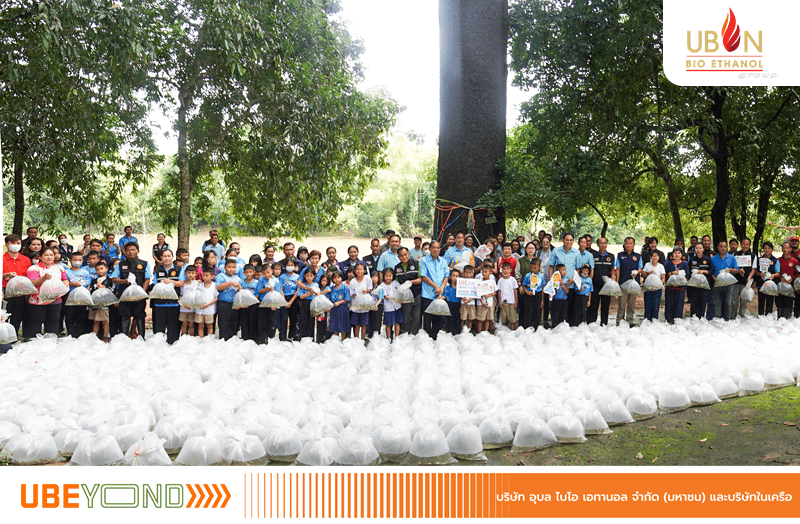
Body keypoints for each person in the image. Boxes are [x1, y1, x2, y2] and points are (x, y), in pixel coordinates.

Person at [24, 247, 69, 340]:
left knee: (53, 322)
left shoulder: (59, 268)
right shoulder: (34, 268)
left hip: (56, 300)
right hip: (37, 301)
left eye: (51, 255)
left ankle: (50, 341)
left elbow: (65, 279)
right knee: (36, 322)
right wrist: (44, 278)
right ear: (40, 257)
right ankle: (34, 341)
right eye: (46, 255)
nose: (49, 257)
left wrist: (65, 284)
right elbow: (33, 283)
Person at [110, 242, 151, 339]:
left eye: (133, 250)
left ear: (138, 251)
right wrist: (124, 281)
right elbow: (114, 279)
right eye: (128, 250)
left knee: (140, 316)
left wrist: (142, 293)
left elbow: (147, 279)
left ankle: (142, 338)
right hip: (124, 296)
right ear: (125, 252)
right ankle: (124, 338)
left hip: (139, 297)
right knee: (125, 316)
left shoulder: (144, 264)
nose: (131, 252)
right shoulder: (120, 264)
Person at [2, 234, 32, 349]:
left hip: (20, 292)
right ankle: (3, 337)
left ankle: (13, 337)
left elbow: (28, 277)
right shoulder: (2, 259)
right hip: (4, 290)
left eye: (18, 243)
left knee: (17, 314)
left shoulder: (25, 260)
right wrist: (5, 275)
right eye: (13, 243)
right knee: (4, 314)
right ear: (7, 245)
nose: (16, 246)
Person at [150, 249, 181, 344]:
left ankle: (172, 343)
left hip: (173, 303)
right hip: (159, 303)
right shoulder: (158, 269)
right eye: (165, 256)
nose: (167, 258)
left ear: (172, 257)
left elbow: (181, 283)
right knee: (159, 327)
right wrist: (160, 294)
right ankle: (159, 344)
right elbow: (155, 284)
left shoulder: (178, 269)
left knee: (173, 326)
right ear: (161, 258)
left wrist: (171, 281)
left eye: (169, 256)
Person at [420, 241, 449, 340]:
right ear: (430, 249)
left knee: (438, 318)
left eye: (437, 248)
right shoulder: (424, 261)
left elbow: (446, 276)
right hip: (428, 293)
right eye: (433, 248)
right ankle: (427, 339)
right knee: (427, 318)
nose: (435, 250)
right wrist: (435, 287)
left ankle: (435, 338)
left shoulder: (443, 261)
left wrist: (441, 288)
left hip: (440, 294)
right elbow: (423, 276)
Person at [615, 237, 643, 325]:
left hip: (634, 284)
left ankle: (629, 321)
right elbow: (618, 269)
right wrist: (617, 282)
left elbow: (640, 268)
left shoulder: (638, 256)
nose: (629, 245)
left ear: (634, 244)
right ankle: (619, 321)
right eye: (627, 243)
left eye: (631, 243)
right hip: (623, 283)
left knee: (631, 304)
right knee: (621, 305)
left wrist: (637, 272)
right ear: (624, 244)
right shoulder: (620, 255)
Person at [395, 246, 422, 335]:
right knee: (405, 315)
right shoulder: (397, 268)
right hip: (404, 296)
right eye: (401, 256)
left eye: (405, 254)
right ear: (398, 257)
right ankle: (404, 334)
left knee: (416, 315)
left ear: (409, 254)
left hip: (416, 293)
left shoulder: (417, 264)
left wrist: (412, 282)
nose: (404, 257)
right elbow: (396, 284)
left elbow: (421, 279)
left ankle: (414, 334)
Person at [64, 251, 91, 337]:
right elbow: (64, 283)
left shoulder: (85, 273)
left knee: (81, 316)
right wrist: (73, 284)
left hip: (82, 298)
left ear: (82, 260)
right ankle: (71, 333)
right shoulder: (66, 272)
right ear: (70, 260)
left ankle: (80, 333)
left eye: (79, 260)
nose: (77, 261)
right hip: (70, 298)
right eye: (75, 259)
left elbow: (88, 283)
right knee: (70, 317)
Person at [588, 237, 614, 325]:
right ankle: (592, 322)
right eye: (601, 243)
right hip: (595, 284)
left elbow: (612, 270)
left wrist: (613, 279)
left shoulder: (611, 256)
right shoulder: (593, 255)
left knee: (605, 305)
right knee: (594, 304)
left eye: (605, 243)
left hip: (606, 285)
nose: (603, 245)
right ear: (598, 244)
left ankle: (604, 323)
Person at [710, 240, 739, 321]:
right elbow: (711, 271)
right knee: (717, 302)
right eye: (721, 246)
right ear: (718, 247)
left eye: (725, 246)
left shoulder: (732, 258)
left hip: (729, 284)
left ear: (727, 247)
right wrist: (715, 279)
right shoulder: (713, 258)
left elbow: (736, 270)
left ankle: (727, 319)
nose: (723, 248)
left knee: (728, 302)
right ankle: (718, 319)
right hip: (717, 284)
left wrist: (730, 270)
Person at [215, 258, 243, 340]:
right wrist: (230, 283)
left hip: (234, 304)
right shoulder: (221, 276)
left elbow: (240, 291)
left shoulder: (238, 279)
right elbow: (218, 287)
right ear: (225, 267)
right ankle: (223, 340)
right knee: (223, 322)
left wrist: (239, 288)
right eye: (229, 267)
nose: (231, 269)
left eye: (233, 267)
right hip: (223, 302)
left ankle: (232, 339)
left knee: (234, 322)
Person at [687, 243, 713, 318]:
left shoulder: (708, 259)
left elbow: (711, 271)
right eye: (697, 248)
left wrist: (703, 271)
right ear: (694, 249)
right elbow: (688, 271)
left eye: (700, 248)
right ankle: (693, 318)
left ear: (703, 249)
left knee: (702, 302)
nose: (698, 250)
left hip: (704, 285)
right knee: (694, 303)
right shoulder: (692, 260)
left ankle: (701, 318)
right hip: (693, 285)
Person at [733, 237, 757, 318]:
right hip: (735, 280)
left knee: (744, 300)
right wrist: (738, 270)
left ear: (750, 245)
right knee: (734, 300)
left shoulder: (753, 256)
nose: (745, 246)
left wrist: (749, 277)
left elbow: (753, 269)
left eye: (747, 244)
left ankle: (742, 316)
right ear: (740, 244)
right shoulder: (735, 254)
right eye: (744, 244)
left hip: (746, 282)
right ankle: (733, 316)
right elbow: (732, 266)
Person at [255, 263, 279, 344]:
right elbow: (259, 290)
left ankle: (270, 340)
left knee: (271, 322)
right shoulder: (261, 279)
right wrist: (268, 289)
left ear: (272, 271)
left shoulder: (276, 281)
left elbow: (277, 293)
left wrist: (274, 304)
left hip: (272, 303)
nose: (266, 275)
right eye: (264, 273)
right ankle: (261, 340)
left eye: (268, 272)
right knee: (262, 321)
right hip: (263, 302)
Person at [664, 248, 689, 324]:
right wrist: (671, 273)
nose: (677, 255)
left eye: (679, 253)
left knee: (679, 303)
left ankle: (677, 319)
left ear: (682, 255)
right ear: (672, 255)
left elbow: (687, 276)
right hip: (670, 287)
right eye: (675, 253)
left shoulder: (684, 264)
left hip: (680, 288)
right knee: (669, 303)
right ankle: (669, 319)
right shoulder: (668, 263)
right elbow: (664, 274)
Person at [278, 259, 301, 341]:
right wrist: (284, 301)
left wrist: (291, 301)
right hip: (284, 298)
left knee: (293, 318)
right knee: (284, 319)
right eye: (288, 265)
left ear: (295, 266)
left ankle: (292, 336)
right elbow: (280, 289)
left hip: (294, 299)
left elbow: (298, 290)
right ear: (285, 266)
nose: (290, 267)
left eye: (292, 265)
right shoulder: (282, 276)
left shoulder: (297, 277)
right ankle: (282, 337)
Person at [88, 260, 111, 341]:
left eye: (101, 269)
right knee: (95, 321)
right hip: (95, 303)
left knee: (105, 321)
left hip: (104, 304)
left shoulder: (109, 280)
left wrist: (102, 287)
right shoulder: (94, 280)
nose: (99, 271)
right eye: (97, 269)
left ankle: (105, 337)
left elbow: (111, 291)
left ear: (106, 269)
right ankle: (94, 337)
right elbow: (91, 290)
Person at [349, 262, 372, 340]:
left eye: (361, 269)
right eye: (357, 269)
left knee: (364, 324)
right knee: (356, 324)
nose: (359, 271)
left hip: (365, 305)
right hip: (356, 305)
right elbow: (353, 293)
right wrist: (357, 300)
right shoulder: (353, 281)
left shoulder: (367, 278)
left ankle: (362, 339)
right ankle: (356, 339)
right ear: (354, 271)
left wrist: (366, 291)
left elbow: (370, 288)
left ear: (365, 270)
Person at [755, 242, 779, 316]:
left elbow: (778, 273)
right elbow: (755, 271)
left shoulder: (775, 260)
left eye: (769, 248)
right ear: (763, 249)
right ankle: (760, 316)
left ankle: (768, 318)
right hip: (760, 284)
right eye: (765, 248)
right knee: (761, 302)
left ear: (772, 250)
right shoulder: (759, 260)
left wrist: (773, 275)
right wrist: (759, 274)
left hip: (770, 284)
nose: (767, 250)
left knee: (770, 301)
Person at [776, 242, 798, 319]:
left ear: (790, 249)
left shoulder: (795, 261)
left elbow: (798, 273)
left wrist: (792, 278)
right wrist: (780, 277)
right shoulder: (778, 260)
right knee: (779, 303)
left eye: (787, 248)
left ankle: (787, 319)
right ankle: (779, 319)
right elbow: (775, 271)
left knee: (788, 303)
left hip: (790, 286)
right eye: (783, 248)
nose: (785, 249)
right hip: (780, 285)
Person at [641, 251, 666, 322]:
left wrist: (658, 285)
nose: (654, 257)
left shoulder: (661, 266)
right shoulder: (647, 265)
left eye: (656, 256)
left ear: (658, 257)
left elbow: (663, 278)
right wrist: (648, 273)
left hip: (657, 288)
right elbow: (643, 275)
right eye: (653, 256)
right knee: (648, 304)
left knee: (655, 304)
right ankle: (647, 320)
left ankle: (654, 320)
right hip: (648, 288)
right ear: (651, 257)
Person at [520, 258, 544, 329]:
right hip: (529, 295)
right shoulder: (527, 276)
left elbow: (542, 288)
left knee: (537, 311)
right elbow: (524, 286)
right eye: (531, 268)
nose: (533, 269)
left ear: (539, 267)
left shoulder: (541, 276)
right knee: (528, 311)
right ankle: (527, 327)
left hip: (538, 294)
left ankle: (536, 327)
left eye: (535, 268)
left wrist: (542, 300)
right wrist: (527, 292)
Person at [379, 268, 402, 340]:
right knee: (388, 324)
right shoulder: (382, 285)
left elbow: (400, 290)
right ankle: (389, 338)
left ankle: (397, 337)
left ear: (393, 276)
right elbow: (385, 296)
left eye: (390, 276)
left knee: (397, 322)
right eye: (386, 276)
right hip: (388, 308)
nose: (388, 278)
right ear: (383, 276)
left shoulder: (395, 283)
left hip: (397, 306)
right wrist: (394, 299)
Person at [327, 271, 351, 340]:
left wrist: (339, 302)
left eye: (338, 277)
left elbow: (347, 298)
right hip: (334, 309)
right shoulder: (332, 289)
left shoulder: (344, 288)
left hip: (342, 308)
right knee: (335, 325)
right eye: (334, 278)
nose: (337, 279)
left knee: (343, 325)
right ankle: (336, 340)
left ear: (341, 278)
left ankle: (343, 339)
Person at [475, 263, 498, 333]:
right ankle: (479, 332)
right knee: (480, 319)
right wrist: (482, 302)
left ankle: (486, 331)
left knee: (488, 319)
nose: (483, 273)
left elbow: (495, 292)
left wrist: (490, 295)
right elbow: (478, 294)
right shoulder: (479, 281)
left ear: (490, 273)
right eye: (482, 272)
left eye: (485, 272)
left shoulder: (492, 282)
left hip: (489, 303)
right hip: (481, 303)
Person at [296, 266, 318, 340]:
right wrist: (310, 293)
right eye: (307, 276)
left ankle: (311, 337)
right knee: (303, 320)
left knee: (311, 320)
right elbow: (301, 297)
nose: (309, 277)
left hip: (313, 303)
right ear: (304, 276)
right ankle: (302, 336)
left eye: (311, 276)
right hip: (304, 303)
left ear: (314, 276)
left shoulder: (316, 285)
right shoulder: (303, 285)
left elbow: (318, 295)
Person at [196, 269, 219, 338]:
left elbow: (216, 298)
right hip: (200, 309)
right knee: (200, 325)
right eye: (204, 275)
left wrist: (208, 304)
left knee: (209, 325)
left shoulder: (214, 286)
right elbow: (196, 295)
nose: (204, 277)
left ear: (212, 276)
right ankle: (201, 338)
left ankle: (209, 340)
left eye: (207, 276)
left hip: (209, 309)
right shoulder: (200, 285)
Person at [537, 236, 553, 327]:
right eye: (544, 242)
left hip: (549, 280)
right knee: (540, 300)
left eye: (547, 242)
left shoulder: (552, 253)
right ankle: (538, 319)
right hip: (539, 280)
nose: (545, 244)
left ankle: (546, 319)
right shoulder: (538, 253)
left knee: (547, 301)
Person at [497, 262, 519, 330]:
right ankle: (503, 331)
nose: (505, 270)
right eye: (504, 269)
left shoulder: (513, 280)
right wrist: (499, 301)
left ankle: (512, 331)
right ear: (501, 270)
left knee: (512, 319)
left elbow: (515, 291)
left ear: (510, 270)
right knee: (503, 318)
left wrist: (516, 301)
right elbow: (499, 292)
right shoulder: (500, 280)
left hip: (511, 302)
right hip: (503, 302)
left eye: (507, 269)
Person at [178, 265, 198, 336]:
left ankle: (191, 338)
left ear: (196, 273)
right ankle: (184, 338)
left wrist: (191, 305)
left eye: (192, 273)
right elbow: (181, 295)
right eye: (189, 273)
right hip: (183, 308)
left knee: (191, 325)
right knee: (184, 324)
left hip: (192, 308)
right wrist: (184, 304)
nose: (190, 275)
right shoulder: (183, 283)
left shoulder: (196, 283)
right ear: (185, 273)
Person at [443, 269, 461, 335]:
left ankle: (457, 332)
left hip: (458, 304)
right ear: (450, 277)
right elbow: (444, 295)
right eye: (453, 276)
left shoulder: (461, 287)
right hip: (450, 304)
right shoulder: (448, 287)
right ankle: (449, 331)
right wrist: (440, 297)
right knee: (450, 318)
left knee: (457, 318)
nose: (455, 278)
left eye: (457, 276)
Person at [460, 265, 477, 332]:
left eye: (470, 272)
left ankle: (469, 331)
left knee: (470, 318)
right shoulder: (461, 281)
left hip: (471, 302)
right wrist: (463, 298)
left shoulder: (474, 282)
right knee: (463, 319)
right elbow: (459, 291)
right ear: (463, 273)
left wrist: (470, 299)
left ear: (472, 273)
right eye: (466, 272)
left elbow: (476, 292)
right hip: (463, 302)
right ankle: (462, 331)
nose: (468, 274)